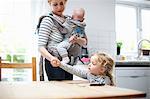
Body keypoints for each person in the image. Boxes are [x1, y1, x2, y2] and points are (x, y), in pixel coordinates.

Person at [38, 0, 87, 81]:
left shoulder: (71, 20)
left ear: (65, 2)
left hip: (69, 63)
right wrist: (52, 59)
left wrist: (77, 39)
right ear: (49, 4)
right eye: (55, 4)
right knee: (58, 92)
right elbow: (41, 47)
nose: (59, 7)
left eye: (61, 3)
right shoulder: (48, 20)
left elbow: (85, 42)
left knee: (68, 91)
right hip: (55, 62)